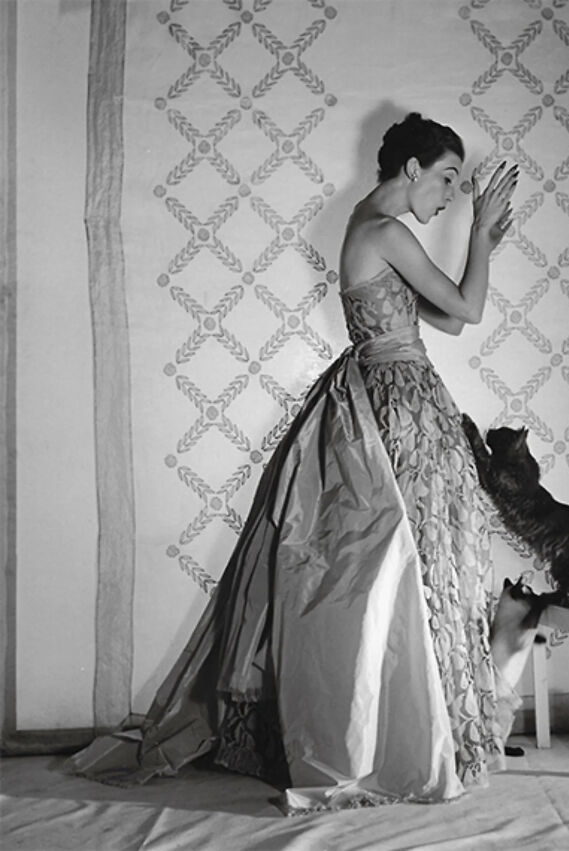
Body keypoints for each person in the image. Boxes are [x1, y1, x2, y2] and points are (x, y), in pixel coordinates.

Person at [66, 112, 520, 813]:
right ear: (410, 169)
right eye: (448, 179)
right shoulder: (384, 228)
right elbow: (469, 306)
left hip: (403, 396)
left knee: (416, 569)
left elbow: (452, 320)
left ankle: (423, 732)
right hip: (395, 408)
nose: (452, 195)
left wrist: (478, 240)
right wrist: (484, 237)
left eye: (462, 186)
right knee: (400, 571)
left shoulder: (379, 231)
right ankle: (394, 743)